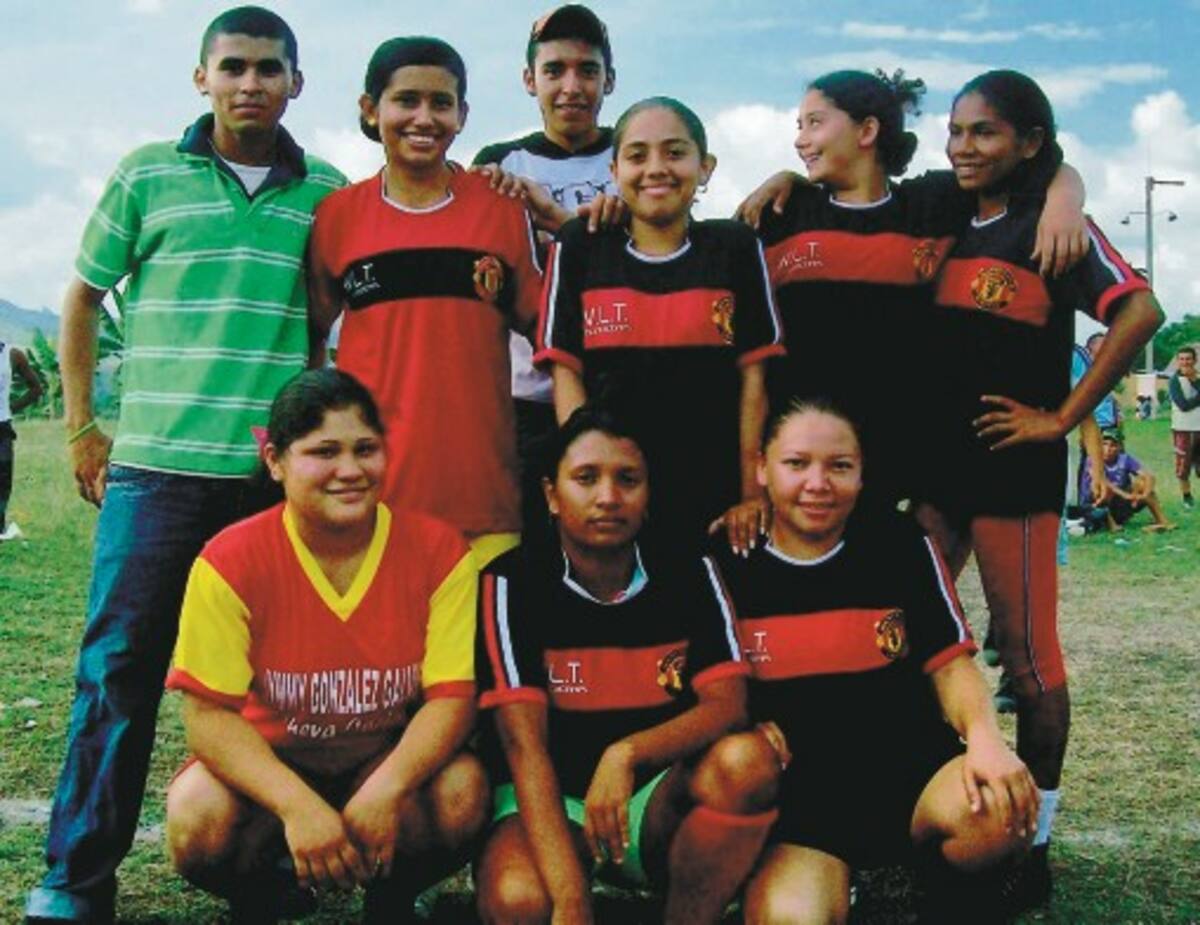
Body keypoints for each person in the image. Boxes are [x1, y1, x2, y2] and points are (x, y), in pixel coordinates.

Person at [27, 8, 346, 922]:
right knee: (118, 671)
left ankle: (266, 872)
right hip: (156, 473)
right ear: (200, 78)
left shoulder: (325, 190)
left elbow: (327, 326)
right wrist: (83, 424)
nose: (252, 84)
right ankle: (74, 880)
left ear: (297, 83)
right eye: (234, 67)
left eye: (270, 69)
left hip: (265, 484)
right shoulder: (146, 176)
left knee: (272, 686)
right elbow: (83, 297)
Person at [915, 69, 1164, 911]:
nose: (962, 146)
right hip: (933, 468)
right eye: (955, 130)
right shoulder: (946, 212)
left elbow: (1139, 313)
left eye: (983, 132)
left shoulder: (1051, 225)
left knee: (1026, 658)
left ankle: (1038, 837)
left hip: (1009, 469)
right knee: (912, 635)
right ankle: (935, 801)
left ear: (1028, 140)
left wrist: (1061, 418)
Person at [164, 369, 486, 923]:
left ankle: (393, 897)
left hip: (377, 759)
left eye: (366, 449)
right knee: (197, 816)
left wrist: (386, 789)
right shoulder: (230, 560)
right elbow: (207, 717)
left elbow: (451, 699)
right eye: (323, 452)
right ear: (275, 463)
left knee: (463, 791)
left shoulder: (440, 551)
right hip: (273, 767)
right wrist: (297, 806)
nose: (350, 470)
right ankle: (263, 894)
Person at [705, 398, 1036, 923]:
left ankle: (941, 890)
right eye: (797, 464)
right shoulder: (725, 561)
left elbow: (950, 663)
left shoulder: (899, 542)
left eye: (839, 466)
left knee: (1001, 808)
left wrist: (986, 739)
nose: (818, 483)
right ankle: (823, 876)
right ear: (761, 470)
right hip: (804, 803)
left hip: (907, 770)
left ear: (861, 476)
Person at [733, 69, 1087, 517]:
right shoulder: (781, 214)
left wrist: (1065, 199)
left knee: (880, 586)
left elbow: (1033, 163)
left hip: (896, 466)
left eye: (815, 123)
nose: (801, 140)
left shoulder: (933, 204)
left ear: (867, 130)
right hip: (802, 467)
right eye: (798, 127)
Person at [474, 405, 780, 925]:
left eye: (628, 479)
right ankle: (574, 885)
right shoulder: (510, 582)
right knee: (521, 901)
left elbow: (728, 705)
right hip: (555, 802)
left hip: (651, 803)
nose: (608, 497)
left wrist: (626, 754)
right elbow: (524, 747)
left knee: (746, 762)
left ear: (648, 493)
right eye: (585, 478)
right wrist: (572, 902)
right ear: (551, 494)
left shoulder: (690, 569)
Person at [309, 36, 542, 569]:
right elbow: (312, 342)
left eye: (441, 103)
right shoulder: (337, 217)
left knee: (473, 654)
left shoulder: (500, 210)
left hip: (483, 505)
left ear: (462, 115)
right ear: (371, 110)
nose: (424, 117)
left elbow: (550, 332)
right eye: (406, 100)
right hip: (369, 501)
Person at [535, 97, 784, 556]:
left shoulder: (734, 248)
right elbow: (564, 370)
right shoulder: (581, 247)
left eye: (674, 153)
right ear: (613, 170)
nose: (656, 168)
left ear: (705, 167)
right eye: (637, 155)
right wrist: (588, 481)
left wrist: (752, 494)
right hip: (615, 504)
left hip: (713, 499)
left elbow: (754, 377)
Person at [472, 3, 619, 532]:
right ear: (529, 80)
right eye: (555, 70)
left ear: (610, 80)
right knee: (530, 542)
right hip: (522, 400)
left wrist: (559, 225)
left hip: (615, 389)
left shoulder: (636, 158)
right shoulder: (500, 163)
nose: (572, 86)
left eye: (588, 70)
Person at [1078, 429, 1175, 532]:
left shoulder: (1125, 459)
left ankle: (1162, 521)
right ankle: (1112, 525)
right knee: (1104, 489)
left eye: (1113, 445)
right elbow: (1103, 481)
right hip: (1096, 506)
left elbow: (1149, 476)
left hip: (1119, 504)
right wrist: (1126, 495)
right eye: (1104, 444)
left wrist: (1144, 495)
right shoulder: (1092, 459)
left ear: (1119, 447)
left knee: (1142, 483)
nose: (1108, 449)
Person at [0, 340, 44, 541]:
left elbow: (36, 389)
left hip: (2, 428)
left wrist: (10, 409)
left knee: (3, 479)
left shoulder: (13, 354)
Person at [1168, 345, 1200, 507]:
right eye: (1182, 359)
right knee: (1183, 466)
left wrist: (1195, 381)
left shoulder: (1198, 378)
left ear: (1195, 360)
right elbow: (1183, 405)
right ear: (1177, 361)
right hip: (1183, 428)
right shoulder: (1174, 380)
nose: (1185, 362)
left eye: (1188, 359)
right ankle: (1187, 497)